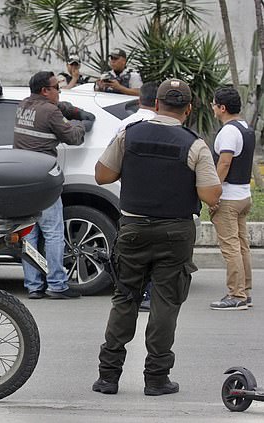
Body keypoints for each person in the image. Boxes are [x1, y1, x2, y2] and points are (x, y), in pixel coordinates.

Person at [92, 79, 221, 396]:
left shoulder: (129, 134)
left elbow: (102, 174)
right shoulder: (194, 144)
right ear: (188, 110)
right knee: (165, 305)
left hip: (133, 229)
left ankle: (108, 377)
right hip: (175, 233)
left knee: (125, 299)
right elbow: (209, 193)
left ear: (155, 104)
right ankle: (156, 378)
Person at [13, 71, 91, 300]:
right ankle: (57, 285)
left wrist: (66, 108)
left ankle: (34, 286)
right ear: (45, 91)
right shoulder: (50, 111)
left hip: (20, 178)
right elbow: (73, 137)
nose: (60, 90)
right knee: (53, 232)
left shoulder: (22, 106)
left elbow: (49, 111)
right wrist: (82, 123)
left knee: (28, 233)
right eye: (57, 87)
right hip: (43, 179)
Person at [209, 87, 255, 310]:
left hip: (228, 198)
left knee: (231, 248)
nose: (212, 106)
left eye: (214, 103)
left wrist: (213, 193)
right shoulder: (246, 128)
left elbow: (224, 163)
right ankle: (245, 291)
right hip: (244, 195)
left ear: (222, 108)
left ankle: (236, 295)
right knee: (242, 245)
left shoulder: (228, 132)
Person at [116, 81, 159, 311]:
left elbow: (113, 164)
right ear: (158, 102)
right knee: (154, 248)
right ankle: (150, 295)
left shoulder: (125, 125)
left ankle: (133, 294)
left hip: (131, 198)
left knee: (134, 250)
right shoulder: (163, 125)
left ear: (139, 100)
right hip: (160, 199)